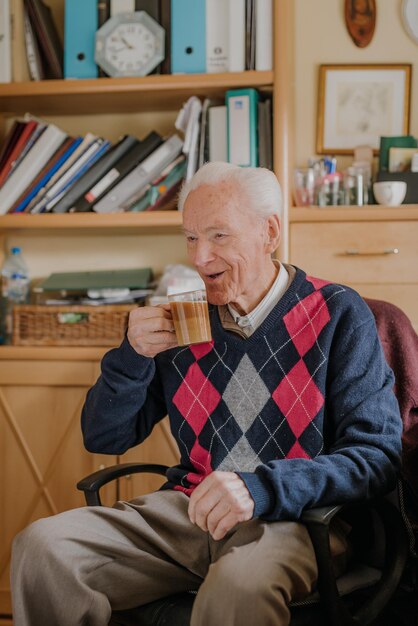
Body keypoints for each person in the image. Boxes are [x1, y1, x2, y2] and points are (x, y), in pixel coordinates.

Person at [11, 162, 402, 626]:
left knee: (238, 586)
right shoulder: (184, 321)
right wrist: (132, 355)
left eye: (218, 236)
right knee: (42, 549)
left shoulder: (339, 313)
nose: (199, 258)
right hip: (189, 511)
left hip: (296, 518)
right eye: (191, 237)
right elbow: (104, 436)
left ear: (269, 232)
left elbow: (376, 457)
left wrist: (262, 487)